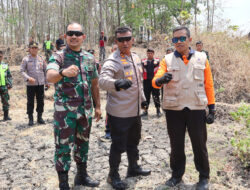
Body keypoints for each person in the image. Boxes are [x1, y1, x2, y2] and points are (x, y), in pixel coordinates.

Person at [152, 26, 215, 190]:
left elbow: (209, 85)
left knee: (199, 145)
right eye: (175, 39)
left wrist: (212, 108)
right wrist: (159, 81)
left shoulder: (202, 58)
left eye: (182, 38)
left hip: (196, 108)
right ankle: (176, 175)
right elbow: (156, 79)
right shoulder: (167, 59)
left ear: (189, 39)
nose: (178, 42)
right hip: (174, 109)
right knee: (176, 145)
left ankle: (203, 177)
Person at [46, 22, 101, 190]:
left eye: (77, 34)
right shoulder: (59, 56)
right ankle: (63, 183)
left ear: (83, 37)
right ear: (65, 36)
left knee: (83, 143)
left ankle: (81, 176)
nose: (74, 37)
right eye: (70, 33)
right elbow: (50, 76)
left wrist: (98, 106)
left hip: (85, 110)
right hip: (65, 113)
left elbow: (94, 84)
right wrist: (63, 72)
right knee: (63, 146)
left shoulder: (90, 58)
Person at [99, 26, 151, 190]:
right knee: (118, 146)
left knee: (133, 142)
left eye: (128, 38)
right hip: (119, 113)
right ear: (116, 41)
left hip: (134, 112)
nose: (125, 42)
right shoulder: (112, 60)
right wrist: (116, 83)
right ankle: (113, 175)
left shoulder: (135, 58)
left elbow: (138, 83)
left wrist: (142, 100)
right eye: (121, 40)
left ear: (133, 40)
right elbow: (102, 80)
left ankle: (133, 168)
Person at [21, 42, 49, 126]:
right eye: (32, 48)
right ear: (29, 49)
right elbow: (22, 71)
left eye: (35, 48)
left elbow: (45, 70)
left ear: (38, 49)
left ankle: (39, 117)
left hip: (40, 84)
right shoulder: (25, 59)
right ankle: (30, 118)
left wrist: (47, 82)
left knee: (40, 101)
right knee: (30, 102)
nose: (34, 49)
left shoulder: (41, 58)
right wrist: (28, 78)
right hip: (30, 85)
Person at [102, 44, 118, 140]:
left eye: (117, 49)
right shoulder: (108, 61)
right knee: (110, 110)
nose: (116, 51)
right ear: (111, 50)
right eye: (115, 49)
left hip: (123, 91)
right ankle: (108, 131)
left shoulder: (125, 59)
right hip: (111, 89)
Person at [141, 48, 161, 118]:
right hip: (146, 81)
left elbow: (160, 69)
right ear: (146, 53)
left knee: (156, 95)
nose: (149, 54)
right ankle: (145, 111)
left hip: (155, 81)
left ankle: (158, 110)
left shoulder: (157, 61)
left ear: (153, 54)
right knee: (146, 96)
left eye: (151, 53)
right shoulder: (143, 61)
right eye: (148, 53)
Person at [0, 51, 12, 121]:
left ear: (2, 57)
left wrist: (9, 84)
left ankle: (6, 116)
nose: (0, 58)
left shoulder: (5, 65)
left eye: (1, 56)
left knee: (5, 101)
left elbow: (9, 76)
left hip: (4, 86)